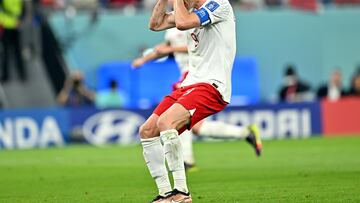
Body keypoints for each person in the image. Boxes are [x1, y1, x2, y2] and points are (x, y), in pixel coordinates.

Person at [138, 0, 262, 201]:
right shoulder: (190, 10)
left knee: (166, 123)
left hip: (212, 85)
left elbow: (183, 23)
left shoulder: (218, 5)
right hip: (190, 83)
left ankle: (181, 193)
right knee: (147, 130)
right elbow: (155, 24)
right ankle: (164, 194)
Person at [133, 27, 262, 171]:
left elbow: (196, 46)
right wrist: (143, 60)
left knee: (175, 118)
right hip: (186, 75)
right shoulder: (171, 28)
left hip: (197, 74)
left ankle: (187, 160)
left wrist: (170, 49)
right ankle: (244, 133)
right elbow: (164, 48)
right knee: (196, 128)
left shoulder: (193, 21)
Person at [0, 0, 26, 82]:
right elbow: (22, 10)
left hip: (9, 25)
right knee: (14, 51)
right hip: (10, 25)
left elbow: (22, 9)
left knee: (9, 51)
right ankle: (20, 74)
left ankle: (8, 75)